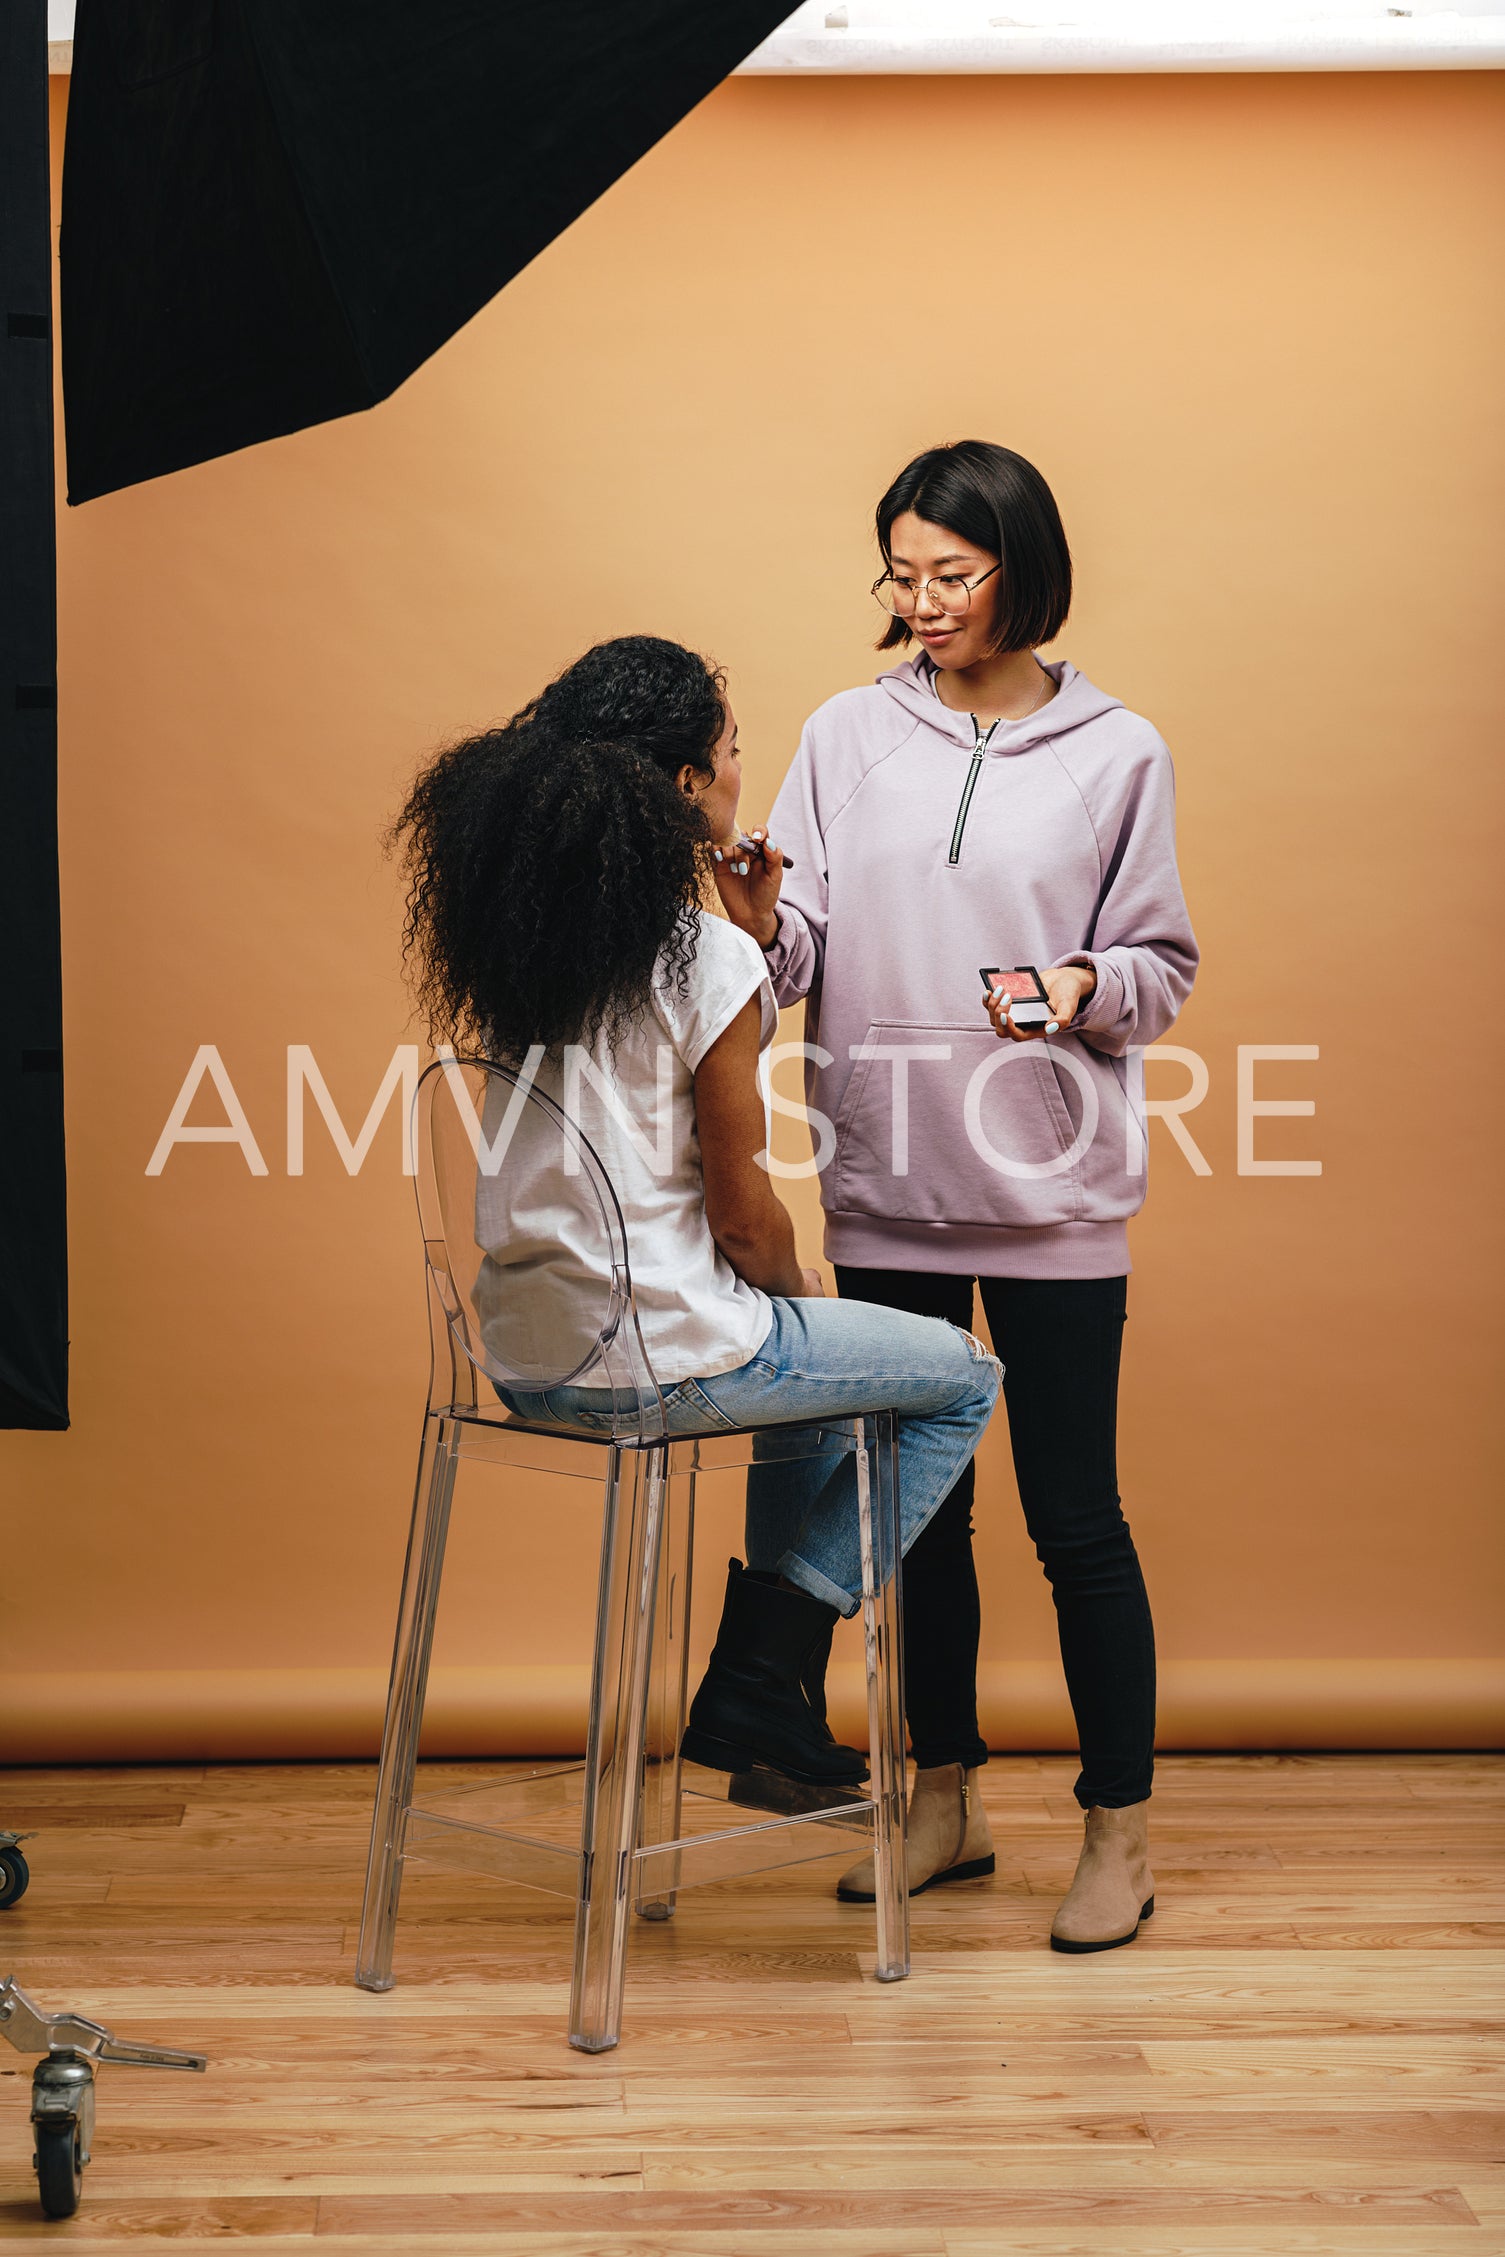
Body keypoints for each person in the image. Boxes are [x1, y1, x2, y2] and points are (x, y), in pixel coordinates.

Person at [713, 442, 1198, 1951]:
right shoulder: (844, 734)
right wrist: (758, 920)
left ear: (1024, 571)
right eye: (901, 574)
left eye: (953, 574)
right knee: (922, 1524)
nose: (921, 602)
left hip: (1054, 1193)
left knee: (1076, 1519)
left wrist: (1076, 985)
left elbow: (1161, 970)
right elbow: (798, 965)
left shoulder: (1122, 751)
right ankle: (942, 1799)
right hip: (884, 1187)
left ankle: (1116, 1831)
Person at [389, 634, 1000, 1790]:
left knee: (814, 1388)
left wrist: (749, 922)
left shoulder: (534, 948)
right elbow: (743, 1218)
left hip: (522, 1354)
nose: (737, 777)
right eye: (727, 756)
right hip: (654, 1357)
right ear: (681, 787)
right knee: (960, 1376)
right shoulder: (706, 959)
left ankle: (770, 1716)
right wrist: (800, 1294)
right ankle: (766, 1670)